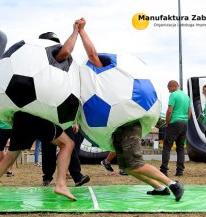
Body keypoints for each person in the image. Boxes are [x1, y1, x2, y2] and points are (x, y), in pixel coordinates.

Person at [78, 17, 184, 201]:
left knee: (135, 163)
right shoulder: (96, 82)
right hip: (118, 127)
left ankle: (172, 183)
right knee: (126, 167)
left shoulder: (104, 70)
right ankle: (159, 187)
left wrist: (81, 31)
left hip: (128, 123)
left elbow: (92, 54)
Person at [0, 20, 83, 201]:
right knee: (68, 144)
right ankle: (61, 185)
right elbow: (66, 51)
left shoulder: (30, 57)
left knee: (9, 158)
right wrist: (76, 31)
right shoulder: (53, 53)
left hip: (21, 115)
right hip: (37, 115)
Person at [38, 31, 90, 187]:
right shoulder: (38, 63)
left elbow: (73, 91)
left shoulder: (66, 62)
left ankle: (77, 176)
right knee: (48, 146)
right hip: (46, 112)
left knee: (69, 145)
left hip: (63, 113)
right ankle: (47, 176)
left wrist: (74, 120)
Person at [160, 80, 191, 176]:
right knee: (180, 148)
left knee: (167, 147)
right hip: (184, 123)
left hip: (174, 123)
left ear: (173, 86)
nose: (169, 91)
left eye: (169, 88)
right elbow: (189, 111)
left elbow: (169, 111)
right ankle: (180, 171)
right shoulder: (186, 96)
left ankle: (164, 170)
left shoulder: (173, 95)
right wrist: (185, 120)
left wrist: (167, 123)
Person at [0, 110, 14, 177]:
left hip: (2, 127)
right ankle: (9, 171)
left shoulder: (1, 101)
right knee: (12, 149)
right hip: (13, 127)